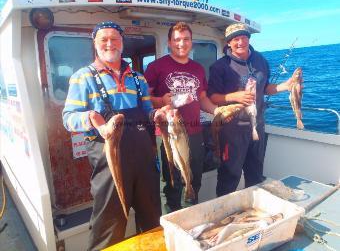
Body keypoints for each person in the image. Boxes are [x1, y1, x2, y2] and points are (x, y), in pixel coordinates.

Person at [62, 21, 164, 250]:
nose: (110, 43)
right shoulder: (82, 77)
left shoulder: (139, 78)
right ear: (95, 43)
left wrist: (158, 114)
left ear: (122, 42)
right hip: (109, 165)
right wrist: (90, 118)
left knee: (152, 221)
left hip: (145, 162)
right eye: (103, 39)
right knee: (108, 228)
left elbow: (147, 112)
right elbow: (68, 118)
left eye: (115, 38)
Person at [208, 23, 296, 197]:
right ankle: (225, 213)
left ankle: (253, 210)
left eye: (243, 37)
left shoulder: (260, 60)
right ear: (229, 43)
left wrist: (287, 85)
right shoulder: (220, 66)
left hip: (257, 126)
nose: (240, 42)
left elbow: (266, 88)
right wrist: (235, 96)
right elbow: (213, 97)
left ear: (248, 38)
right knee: (229, 175)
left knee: (255, 173)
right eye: (235, 39)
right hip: (231, 129)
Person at [144, 22, 219, 212]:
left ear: (191, 42)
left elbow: (202, 98)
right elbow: (143, 99)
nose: (181, 43)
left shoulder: (198, 69)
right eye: (177, 39)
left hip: (195, 132)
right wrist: (161, 101)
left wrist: (217, 111)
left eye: (186, 39)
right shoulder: (155, 67)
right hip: (168, 134)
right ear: (169, 42)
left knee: (194, 179)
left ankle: (190, 219)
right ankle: (171, 226)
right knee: (171, 184)